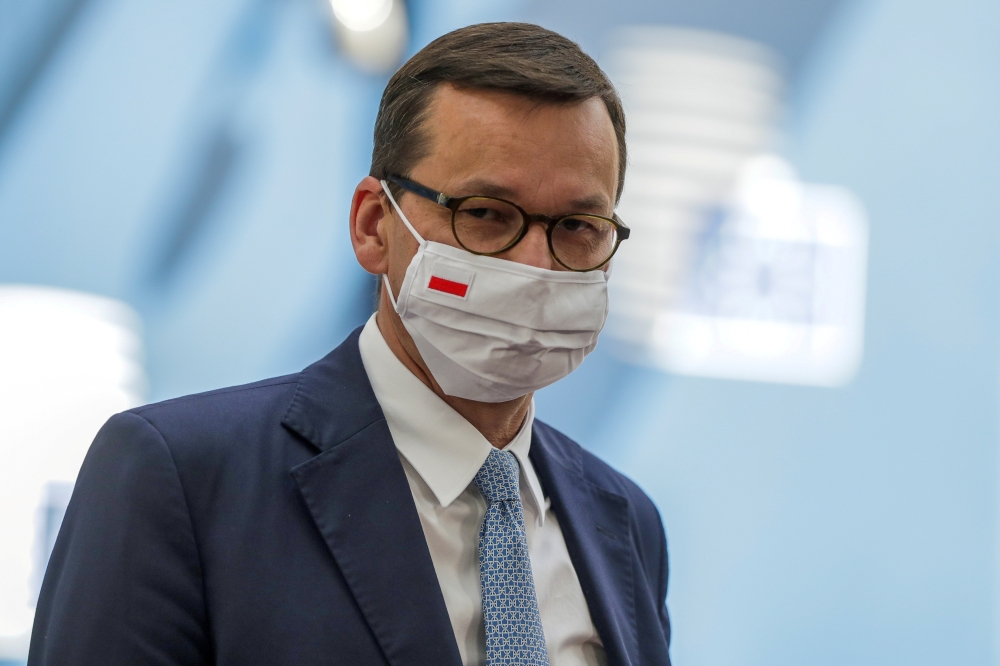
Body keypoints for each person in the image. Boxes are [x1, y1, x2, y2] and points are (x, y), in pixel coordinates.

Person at [28, 22, 671, 666]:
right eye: (485, 213)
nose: (538, 266)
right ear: (373, 226)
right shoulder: (181, 476)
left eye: (578, 227)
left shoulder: (623, 521)